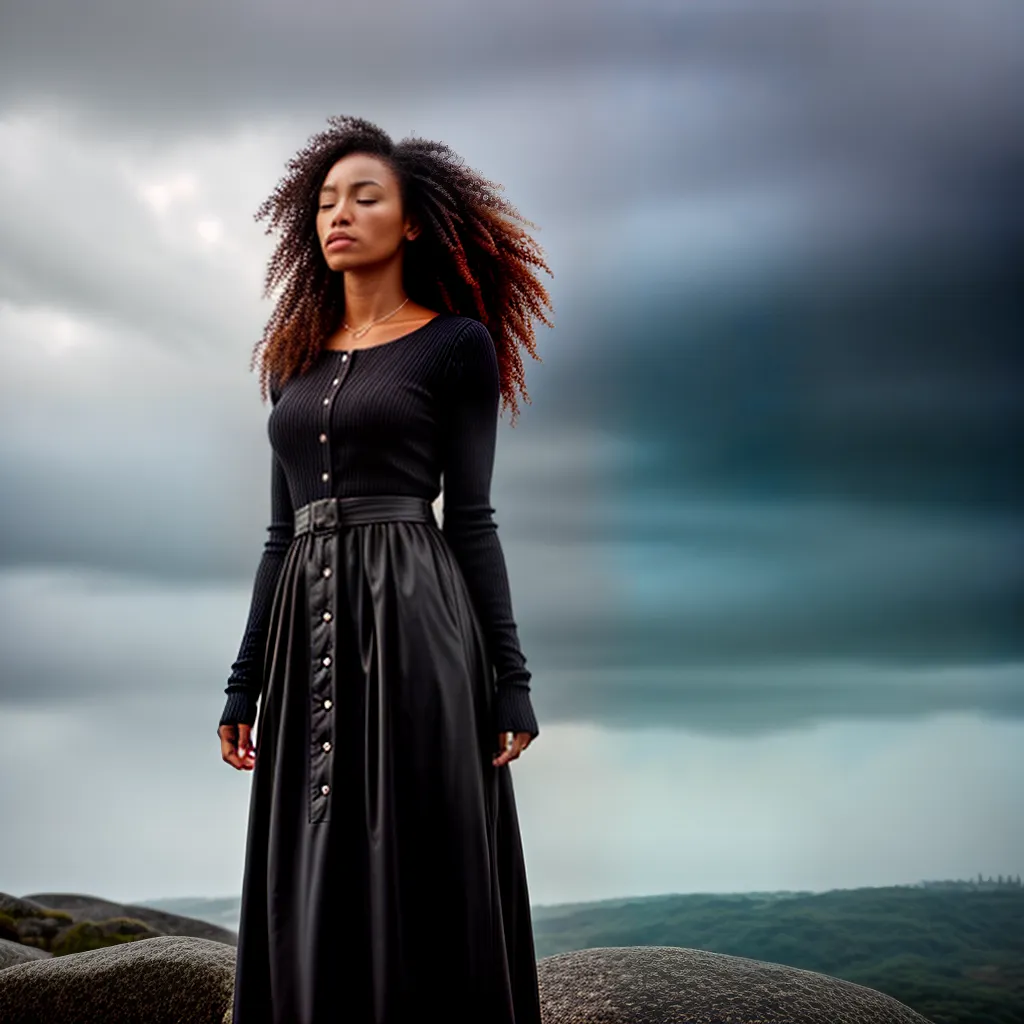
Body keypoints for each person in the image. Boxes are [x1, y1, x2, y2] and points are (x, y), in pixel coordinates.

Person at [216, 114, 554, 1024]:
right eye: (327, 200)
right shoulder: (290, 363)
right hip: (303, 634)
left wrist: (511, 680)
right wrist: (243, 681)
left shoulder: (456, 346)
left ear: (411, 223)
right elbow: (279, 534)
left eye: (365, 197)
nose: (340, 213)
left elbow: (472, 518)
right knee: (307, 855)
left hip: (417, 621)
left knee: (418, 846)